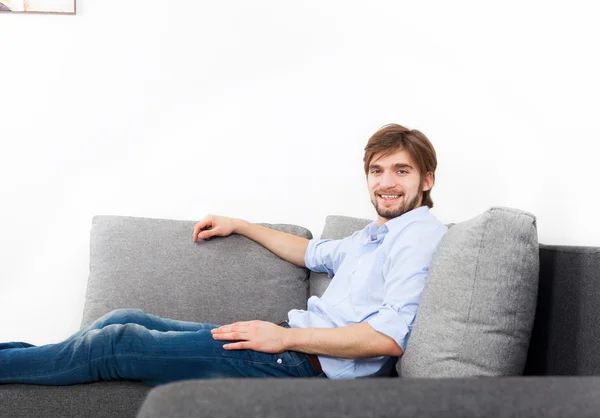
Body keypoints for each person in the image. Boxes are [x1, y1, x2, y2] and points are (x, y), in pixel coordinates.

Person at [0, 123, 447, 386]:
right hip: (286, 344)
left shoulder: (417, 236)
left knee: (117, 344)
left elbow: (388, 338)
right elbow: (312, 252)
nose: (386, 182)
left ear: (426, 179)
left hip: (300, 363)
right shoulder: (377, 234)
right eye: (377, 170)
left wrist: (285, 338)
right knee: (122, 317)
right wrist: (242, 225)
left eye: (401, 170)